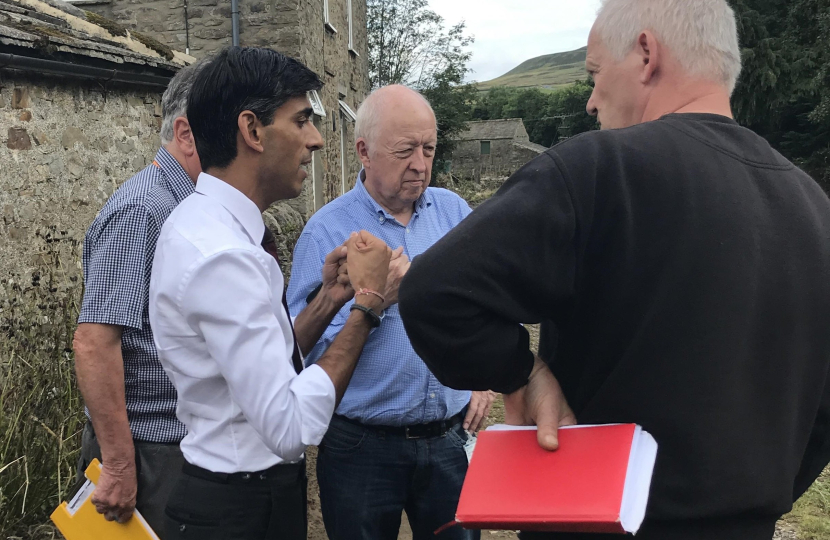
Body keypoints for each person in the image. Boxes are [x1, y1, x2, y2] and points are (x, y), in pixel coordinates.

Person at [397, 1, 830, 539]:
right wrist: (757, 493)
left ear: (647, 54)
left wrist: (521, 373)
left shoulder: (598, 170)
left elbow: (432, 292)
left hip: (591, 522)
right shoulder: (816, 209)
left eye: (597, 75)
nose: (591, 101)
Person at [148, 46, 392, 540]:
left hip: (237, 498)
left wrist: (331, 298)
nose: (317, 140)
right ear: (252, 130)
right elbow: (288, 429)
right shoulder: (222, 255)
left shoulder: (212, 228)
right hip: (238, 508)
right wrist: (369, 303)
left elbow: (259, 367)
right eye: (301, 119)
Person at [287, 85, 493, 540]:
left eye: (429, 148)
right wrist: (374, 300)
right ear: (363, 150)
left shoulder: (455, 213)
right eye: (405, 150)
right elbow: (295, 351)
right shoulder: (327, 231)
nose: (420, 164)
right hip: (361, 444)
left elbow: (490, 304)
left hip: (448, 439)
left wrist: (483, 377)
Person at [72, 60, 205, 533]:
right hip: (149, 455)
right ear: (187, 134)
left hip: (175, 449)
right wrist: (120, 466)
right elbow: (93, 341)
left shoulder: (186, 206)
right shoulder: (143, 210)